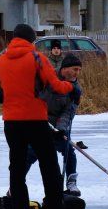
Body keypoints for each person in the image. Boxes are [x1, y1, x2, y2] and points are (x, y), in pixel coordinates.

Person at [0, 24, 75, 209]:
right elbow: (56, 86)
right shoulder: (37, 58)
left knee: (17, 167)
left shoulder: (0, 59)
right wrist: (70, 87)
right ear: (31, 40)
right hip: (36, 120)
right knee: (49, 165)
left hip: (11, 122)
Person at [24, 54, 83, 194]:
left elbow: (69, 112)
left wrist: (61, 129)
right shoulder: (48, 77)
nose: (77, 73)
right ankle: (16, 186)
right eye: (75, 69)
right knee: (30, 154)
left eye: (79, 70)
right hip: (39, 122)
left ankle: (71, 182)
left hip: (58, 126)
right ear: (64, 68)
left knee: (68, 151)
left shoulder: (76, 89)